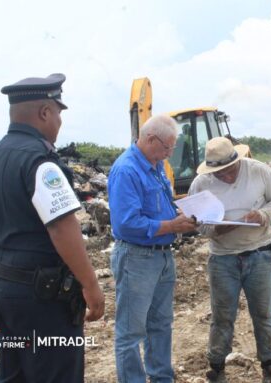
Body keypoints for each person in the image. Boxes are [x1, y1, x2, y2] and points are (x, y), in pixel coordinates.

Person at [0, 73, 105, 382]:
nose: (60, 122)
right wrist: (90, 285)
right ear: (45, 112)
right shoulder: (42, 162)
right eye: (59, 113)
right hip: (41, 297)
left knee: (14, 373)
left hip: (2, 288)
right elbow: (62, 228)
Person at [188, 137, 271, 383]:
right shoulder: (200, 184)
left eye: (230, 170)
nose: (227, 176)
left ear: (238, 160)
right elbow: (195, 223)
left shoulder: (259, 171)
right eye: (220, 173)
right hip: (223, 260)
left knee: (263, 314)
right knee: (222, 316)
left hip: (259, 253)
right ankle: (216, 369)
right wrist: (214, 230)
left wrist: (264, 215)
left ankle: (270, 368)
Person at [108, 114, 197, 383]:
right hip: (137, 257)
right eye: (167, 148)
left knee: (160, 325)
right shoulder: (127, 170)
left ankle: (161, 378)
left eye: (172, 148)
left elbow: (160, 205)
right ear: (149, 139)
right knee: (131, 332)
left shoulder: (155, 164)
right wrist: (172, 225)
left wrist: (182, 215)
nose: (169, 154)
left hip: (161, 256)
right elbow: (127, 223)